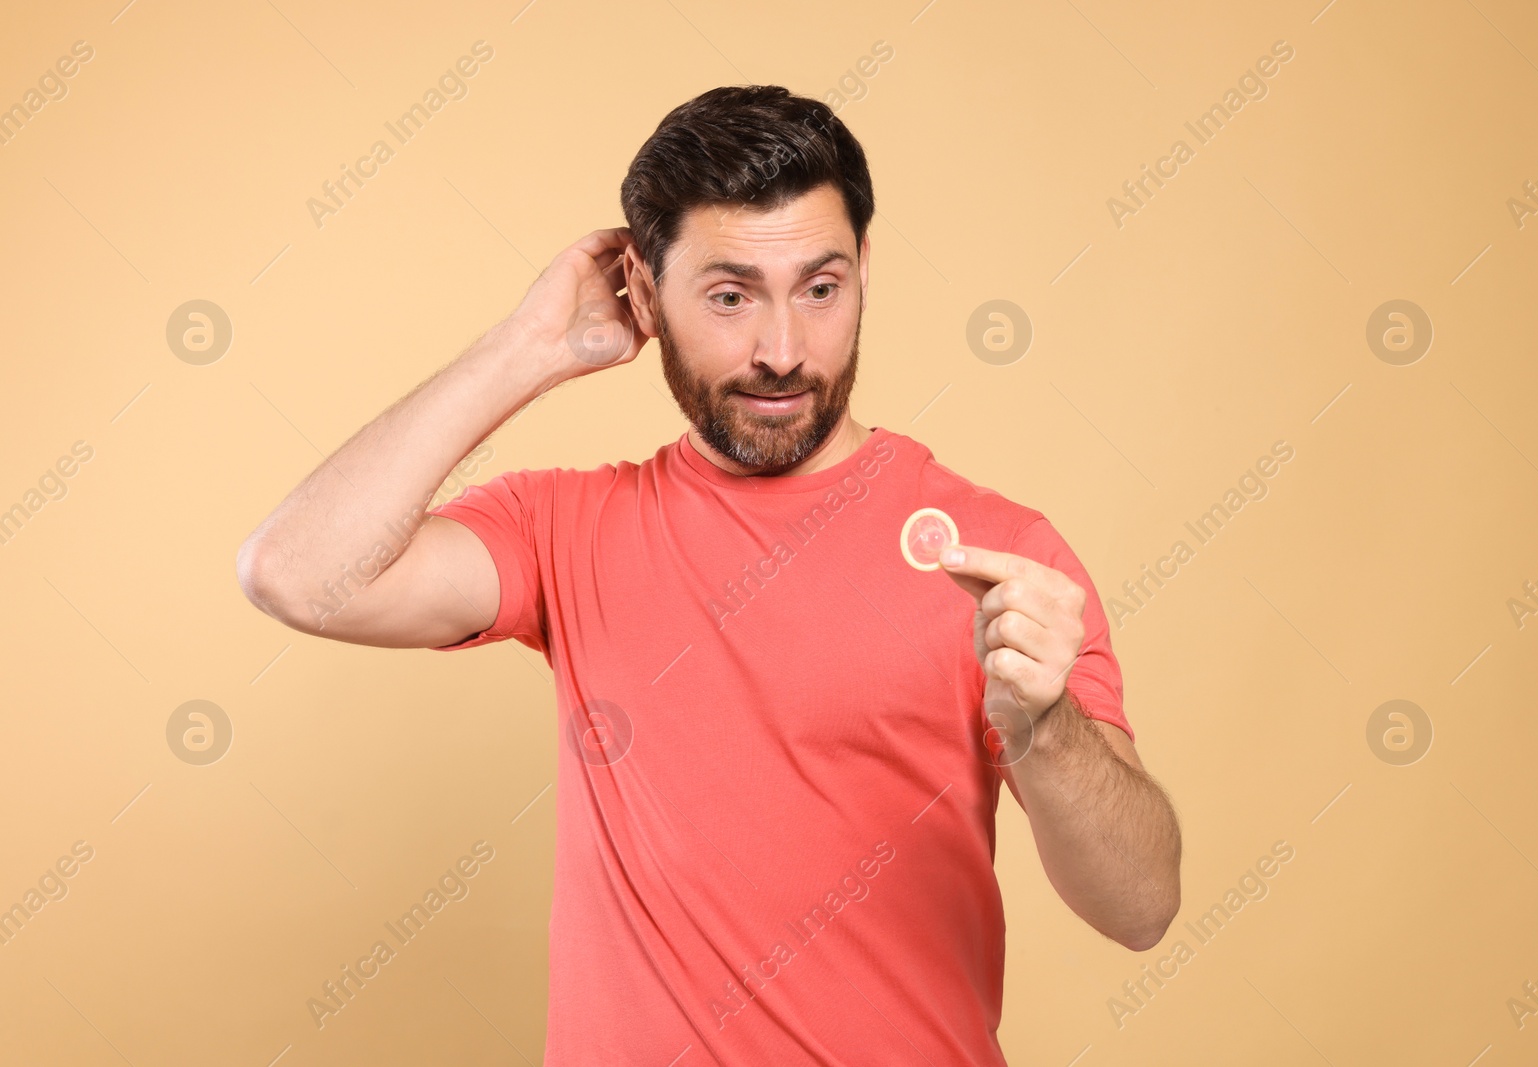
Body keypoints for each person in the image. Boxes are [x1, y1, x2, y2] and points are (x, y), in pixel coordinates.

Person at [237, 84, 1181, 1065]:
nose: (782, 351)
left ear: (864, 270)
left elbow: (1142, 905)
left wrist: (1047, 726)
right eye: (729, 296)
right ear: (644, 295)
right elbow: (298, 573)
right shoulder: (566, 528)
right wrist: (526, 349)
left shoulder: (993, 554)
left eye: (820, 289)